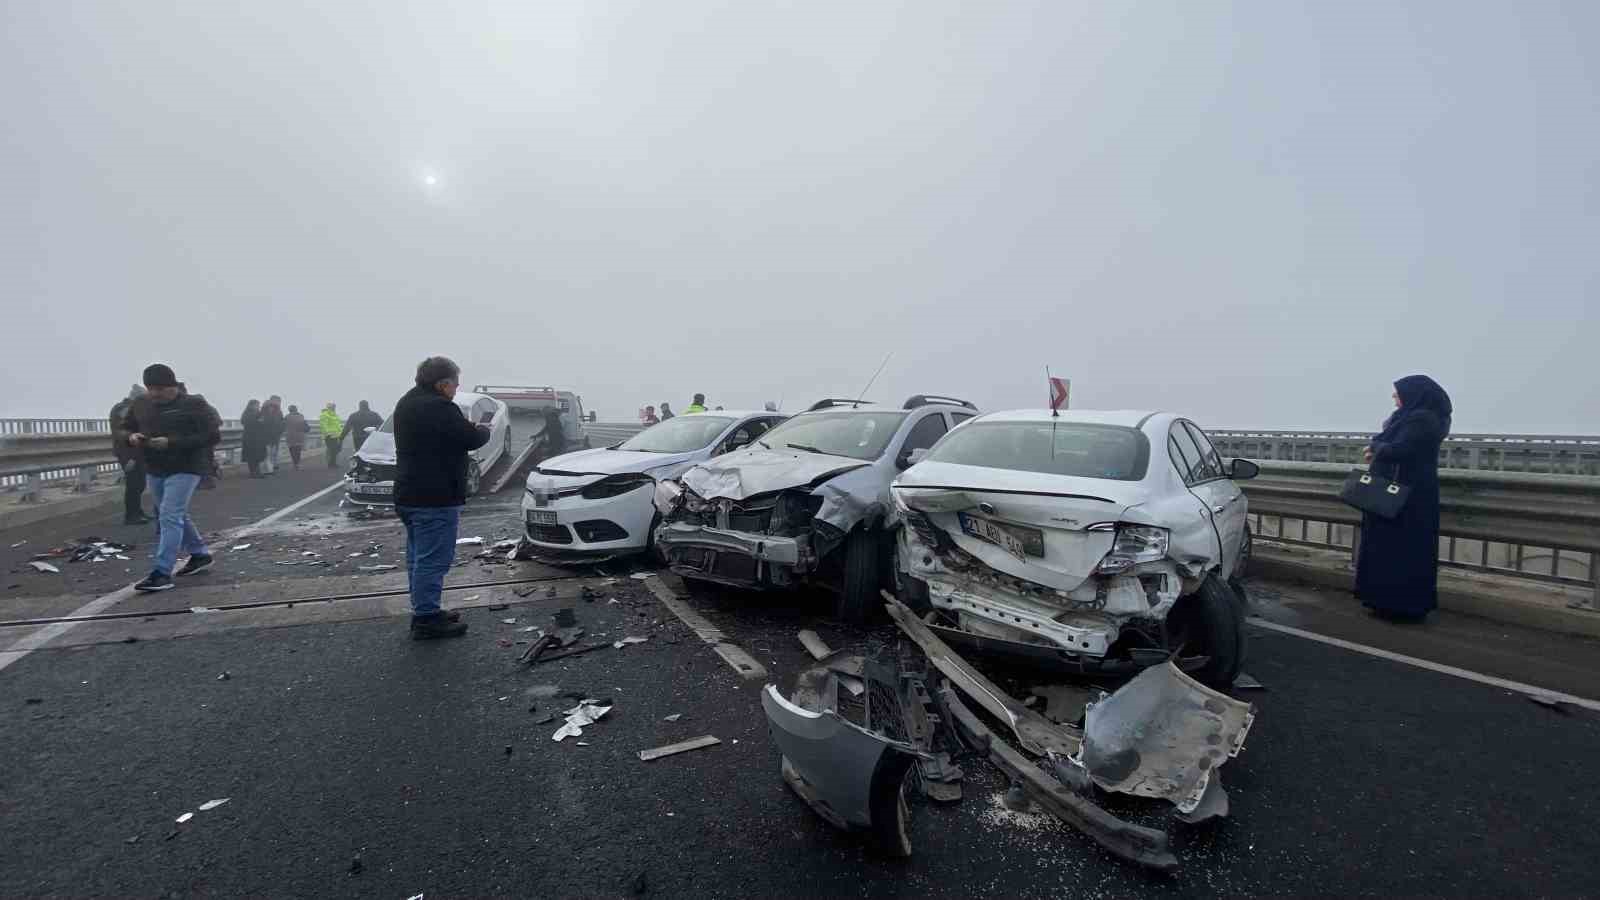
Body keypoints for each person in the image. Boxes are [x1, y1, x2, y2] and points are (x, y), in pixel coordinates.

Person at [393, 356, 488, 639]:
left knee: (418, 558)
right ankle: (425, 619)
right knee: (433, 560)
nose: (457, 389)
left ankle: (426, 609)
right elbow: (471, 439)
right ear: (442, 384)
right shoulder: (439, 407)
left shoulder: (408, 402)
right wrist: (482, 429)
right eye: (455, 384)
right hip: (434, 497)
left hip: (410, 493)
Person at [1356, 375, 1453, 623]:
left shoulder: (1422, 419)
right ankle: (1385, 602)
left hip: (1405, 495)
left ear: (1414, 394)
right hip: (1406, 492)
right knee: (1396, 550)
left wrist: (1375, 449)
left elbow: (1400, 450)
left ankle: (1398, 606)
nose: (1394, 397)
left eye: (1398, 393)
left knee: (1398, 551)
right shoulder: (1418, 417)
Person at [119, 364, 221, 593]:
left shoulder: (194, 404)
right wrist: (131, 436)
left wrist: (171, 442)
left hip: (187, 466)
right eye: (151, 388)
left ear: (173, 386)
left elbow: (212, 436)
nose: (155, 393)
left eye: (161, 389)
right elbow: (124, 429)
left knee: (168, 516)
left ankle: (162, 573)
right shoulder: (141, 404)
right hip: (155, 467)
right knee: (175, 514)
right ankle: (200, 555)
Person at [110, 384, 150, 524]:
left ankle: (137, 512)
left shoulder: (126, 408)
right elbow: (124, 431)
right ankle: (131, 515)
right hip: (127, 452)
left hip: (135, 451)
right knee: (134, 483)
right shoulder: (123, 409)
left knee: (139, 483)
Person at [241, 399, 267, 477]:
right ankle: (254, 472)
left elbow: (263, 422)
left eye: (258, 405)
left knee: (257, 455)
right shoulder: (247, 413)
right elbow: (245, 422)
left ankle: (256, 472)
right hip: (250, 437)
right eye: (257, 405)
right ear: (252, 405)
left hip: (257, 437)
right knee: (252, 456)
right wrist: (258, 421)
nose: (258, 406)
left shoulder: (257, 413)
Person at [261, 396, 285, 474]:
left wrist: (280, 430)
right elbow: (280, 422)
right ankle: (269, 468)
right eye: (278, 401)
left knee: (272, 451)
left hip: (274, 434)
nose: (279, 403)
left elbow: (281, 422)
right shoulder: (266, 409)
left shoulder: (277, 410)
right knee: (268, 452)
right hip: (268, 434)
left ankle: (271, 466)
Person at [283, 404, 309, 469]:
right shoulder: (301, 416)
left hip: (290, 436)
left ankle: (295, 463)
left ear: (289, 410)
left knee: (292, 450)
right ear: (296, 409)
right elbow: (304, 425)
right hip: (299, 436)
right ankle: (297, 463)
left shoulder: (287, 417)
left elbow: (283, 425)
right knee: (298, 450)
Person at [320, 403, 345, 468]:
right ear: (329, 407)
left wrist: (341, 433)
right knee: (332, 449)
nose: (334, 408)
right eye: (333, 407)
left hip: (337, 435)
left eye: (334, 407)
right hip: (329, 436)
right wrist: (328, 433)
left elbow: (338, 425)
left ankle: (332, 462)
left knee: (337, 449)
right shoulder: (324, 415)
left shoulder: (335, 415)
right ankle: (332, 464)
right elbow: (323, 425)